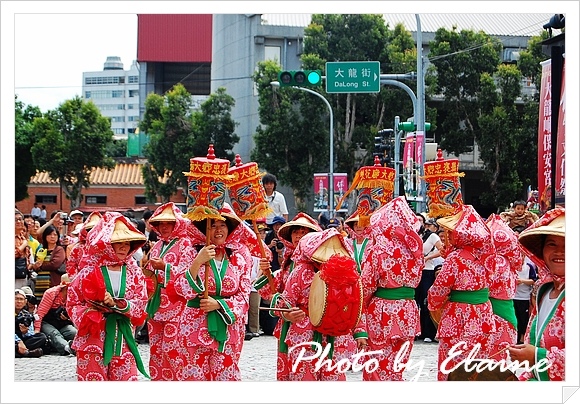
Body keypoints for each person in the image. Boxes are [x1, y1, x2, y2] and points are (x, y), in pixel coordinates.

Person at [174, 203, 253, 381]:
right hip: (195, 322)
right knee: (194, 376)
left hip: (227, 325)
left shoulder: (239, 256)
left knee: (226, 376)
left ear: (230, 228)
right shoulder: (190, 252)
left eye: (222, 225)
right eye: (213, 225)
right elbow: (180, 288)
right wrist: (197, 262)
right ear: (204, 228)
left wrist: (218, 304)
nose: (218, 230)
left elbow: (244, 295)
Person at [66, 212, 149, 381]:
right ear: (106, 244)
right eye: (118, 243)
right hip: (93, 338)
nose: (124, 247)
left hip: (123, 338)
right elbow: (72, 302)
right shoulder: (89, 270)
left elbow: (141, 303)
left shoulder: (134, 272)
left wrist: (118, 305)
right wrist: (90, 313)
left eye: (127, 243)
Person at [272, 228, 362, 381]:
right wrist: (288, 314)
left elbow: (356, 305)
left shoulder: (346, 273)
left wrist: (360, 332)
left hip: (335, 336)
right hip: (304, 335)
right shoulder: (300, 271)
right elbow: (283, 304)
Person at [428, 205, 496, 381]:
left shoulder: (455, 258)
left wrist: (434, 305)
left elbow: (438, 290)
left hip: (458, 316)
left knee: (453, 367)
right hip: (483, 316)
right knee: (478, 367)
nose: (448, 237)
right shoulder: (488, 255)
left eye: (451, 233)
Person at [360, 197, 424, 380]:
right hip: (408, 311)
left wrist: (358, 320)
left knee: (376, 367)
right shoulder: (415, 251)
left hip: (382, 313)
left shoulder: (378, 250)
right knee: (397, 368)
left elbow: (365, 286)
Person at [255, 212, 321, 380]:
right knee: (290, 371)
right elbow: (273, 291)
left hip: (314, 325)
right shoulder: (288, 262)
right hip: (289, 325)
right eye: (295, 232)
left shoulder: (321, 261)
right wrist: (265, 272)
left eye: (303, 232)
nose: (298, 235)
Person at [507, 207, 565, 381]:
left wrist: (537, 357)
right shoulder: (544, 290)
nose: (559, 252)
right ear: (542, 251)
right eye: (551, 244)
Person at [143, 202, 196, 380]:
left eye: (168, 222)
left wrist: (165, 267)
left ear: (177, 223)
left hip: (177, 306)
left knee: (173, 350)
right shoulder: (156, 246)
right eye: (160, 223)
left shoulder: (186, 244)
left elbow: (189, 274)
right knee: (156, 350)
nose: (164, 226)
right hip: (155, 306)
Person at [481, 214, 523, 362]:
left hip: (494, 312)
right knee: (500, 360)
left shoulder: (495, 261)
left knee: (491, 360)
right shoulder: (509, 262)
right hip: (506, 311)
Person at [415, 215, 444, 343]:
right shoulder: (413, 236)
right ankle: (417, 331)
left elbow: (442, 250)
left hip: (427, 270)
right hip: (414, 272)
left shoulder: (432, 236)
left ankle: (428, 332)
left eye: (421, 221)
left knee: (426, 302)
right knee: (415, 302)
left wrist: (428, 258)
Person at [34, 273, 77, 356]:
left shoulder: (74, 296)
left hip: (62, 323)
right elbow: (40, 314)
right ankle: (67, 348)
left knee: (73, 332)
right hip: (47, 322)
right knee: (54, 333)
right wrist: (37, 330)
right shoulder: (51, 293)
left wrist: (67, 318)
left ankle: (77, 347)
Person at [511, 225, 538, 344]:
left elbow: (534, 279)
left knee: (524, 318)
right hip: (513, 296)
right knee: (515, 318)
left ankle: (523, 337)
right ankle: (516, 337)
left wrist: (522, 281)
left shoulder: (529, 265)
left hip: (524, 297)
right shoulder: (510, 265)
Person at [34, 225, 67, 299]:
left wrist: (41, 266)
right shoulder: (41, 250)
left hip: (52, 283)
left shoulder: (59, 249)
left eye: (55, 234)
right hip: (40, 283)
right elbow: (36, 264)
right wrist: (35, 266)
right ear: (45, 236)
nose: (52, 236)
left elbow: (54, 264)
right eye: (50, 234)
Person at [15, 289, 47, 358]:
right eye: (16, 299)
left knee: (41, 337)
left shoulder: (26, 315)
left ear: (25, 302)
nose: (19, 301)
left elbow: (31, 333)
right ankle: (26, 352)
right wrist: (18, 341)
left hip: (23, 339)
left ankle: (20, 351)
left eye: (21, 299)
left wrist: (25, 332)